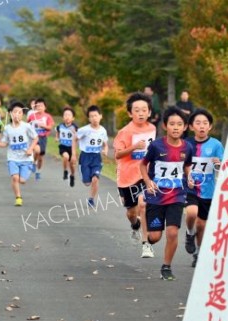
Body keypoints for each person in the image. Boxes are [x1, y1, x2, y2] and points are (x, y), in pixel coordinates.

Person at [140, 106, 194, 280]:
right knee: (154, 237)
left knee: (172, 232)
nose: (176, 127)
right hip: (156, 196)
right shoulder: (156, 146)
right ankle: (144, 224)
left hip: (176, 195)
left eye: (179, 124)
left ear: (185, 127)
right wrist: (148, 182)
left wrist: (189, 176)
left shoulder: (188, 147)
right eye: (172, 124)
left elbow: (187, 165)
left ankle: (166, 267)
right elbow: (143, 164)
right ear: (165, 126)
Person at [113, 92, 156, 259]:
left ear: (149, 112)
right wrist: (134, 147)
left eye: (144, 110)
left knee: (143, 204)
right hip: (127, 177)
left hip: (145, 174)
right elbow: (117, 155)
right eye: (136, 110)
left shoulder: (152, 129)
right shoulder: (125, 132)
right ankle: (135, 225)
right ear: (130, 113)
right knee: (132, 213)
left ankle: (146, 245)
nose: (140, 113)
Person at [184, 108, 224, 267]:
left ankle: (199, 252)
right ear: (191, 126)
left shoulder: (216, 145)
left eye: (205, 123)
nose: (201, 126)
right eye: (198, 123)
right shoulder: (186, 144)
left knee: (202, 224)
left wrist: (218, 164)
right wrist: (187, 176)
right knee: (191, 212)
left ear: (210, 127)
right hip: (190, 187)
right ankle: (189, 233)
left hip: (208, 190)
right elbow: (180, 164)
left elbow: (223, 166)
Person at [0, 101, 38, 206]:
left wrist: (30, 149)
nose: (17, 114)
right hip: (13, 158)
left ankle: (31, 167)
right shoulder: (7, 128)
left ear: (22, 115)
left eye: (20, 112)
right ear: (10, 114)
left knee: (22, 180)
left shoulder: (26, 126)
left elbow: (35, 138)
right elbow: (5, 142)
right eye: (15, 112)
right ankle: (18, 197)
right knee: (15, 178)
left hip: (26, 158)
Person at [77, 105, 109, 207]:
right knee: (87, 183)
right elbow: (74, 139)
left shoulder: (103, 130)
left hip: (96, 157)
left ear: (100, 116)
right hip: (85, 157)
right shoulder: (84, 130)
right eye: (91, 116)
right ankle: (85, 176)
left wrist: (105, 150)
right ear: (89, 118)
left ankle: (91, 199)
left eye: (96, 115)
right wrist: (73, 154)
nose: (94, 118)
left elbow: (105, 144)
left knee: (95, 179)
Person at [27, 98, 54, 180]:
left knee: (41, 157)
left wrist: (43, 126)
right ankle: (34, 162)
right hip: (34, 138)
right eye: (37, 106)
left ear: (45, 107)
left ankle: (38, 171)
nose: (39, 107)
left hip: (43, 137)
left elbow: (50, 127)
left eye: (41, 106)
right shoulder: (32, 116)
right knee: (37, 150)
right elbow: (27, 126)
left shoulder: (48, 116)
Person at [55, 106, 78, 187]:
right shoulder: (60, 126)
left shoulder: (74, 127)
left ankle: (72, 175)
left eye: (69, 115)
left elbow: (78, 137)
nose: (67, 117)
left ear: (73, 118)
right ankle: (65, 171)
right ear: (63, 117)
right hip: (63, 146)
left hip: (71, 147)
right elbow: (57, 133)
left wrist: (75, 135)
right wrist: (57, 138)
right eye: (65, 115)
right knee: (65, 157)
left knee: (72, 164)